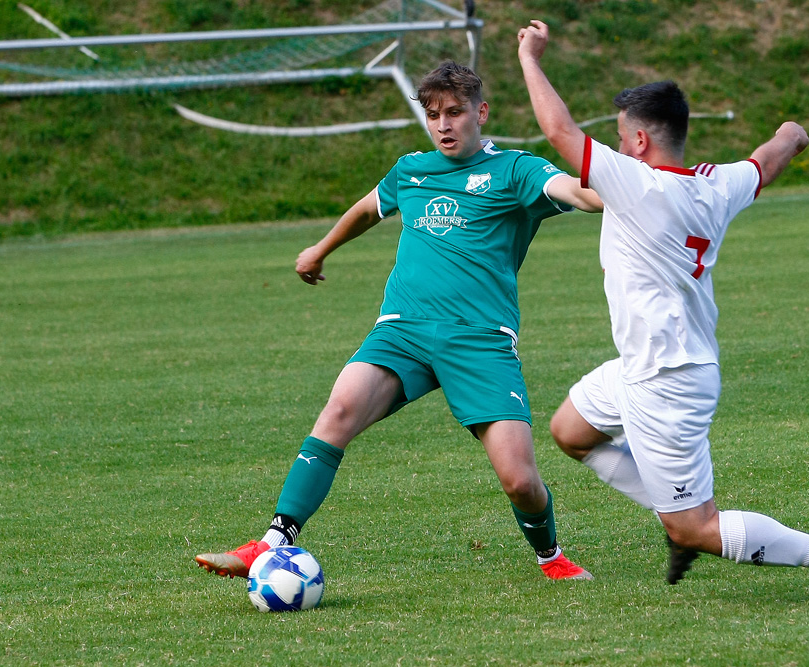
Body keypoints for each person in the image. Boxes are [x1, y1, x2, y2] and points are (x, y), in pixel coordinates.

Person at [195, 60, 602, 583]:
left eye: (455, 113)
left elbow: (581, 195)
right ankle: (270, 543)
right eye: (433, 115)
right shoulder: (411, 169)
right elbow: (367, 210)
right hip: (403, 330)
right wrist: (320, 249)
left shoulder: (517, 171)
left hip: (479, 341)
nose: (444, 125)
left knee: (519, 481)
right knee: (339, 410)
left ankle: (551, 557)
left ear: (481, 112)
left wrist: (625, 185)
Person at [516, 20, 809, 600]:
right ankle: (672, 511)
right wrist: (793, 132)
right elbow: (769, 157)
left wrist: (530, 57)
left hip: (668, 379)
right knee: (570, 431)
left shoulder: (638, 186)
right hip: (643, 364)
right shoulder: (716, 185)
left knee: (697, 526)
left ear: (638, 143)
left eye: (622, 135)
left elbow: (557, 129)